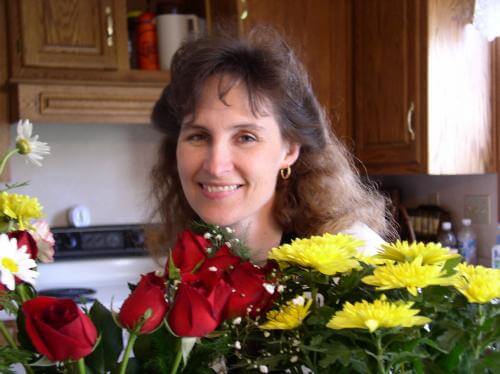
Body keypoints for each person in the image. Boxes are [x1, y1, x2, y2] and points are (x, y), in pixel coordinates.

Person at [150, 27, 395, 263]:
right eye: (199, 136)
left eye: (246, 137)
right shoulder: (193, 261)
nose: (215, 166)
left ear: (289, 150)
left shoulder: (356, 257)